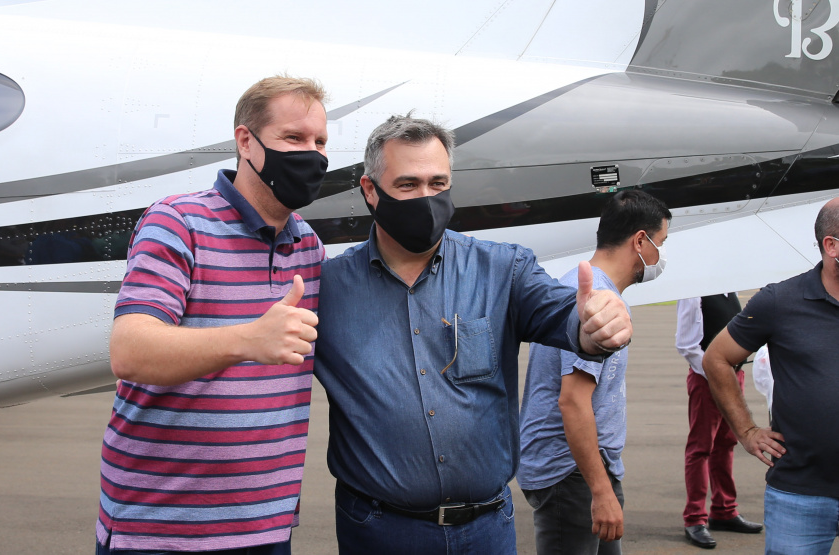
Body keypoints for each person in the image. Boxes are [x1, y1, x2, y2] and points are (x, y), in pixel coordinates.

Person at [314, 114, 633, 554]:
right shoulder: (329, 289)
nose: (426, 198)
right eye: (408, 185)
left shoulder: (503, 269)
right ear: (370, 190)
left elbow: (565, 316)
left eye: (438, 183)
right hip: (380, 530)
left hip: (486, 530)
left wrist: (596, 327)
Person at [96, 76, 329, 554]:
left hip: (265, 528)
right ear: (246, 141)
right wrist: (247, 340)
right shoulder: (178, 222)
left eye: (320, 142)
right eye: (293, 138)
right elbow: (130, 350)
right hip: (159, 530)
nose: (312, 154)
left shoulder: (309, 246)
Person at [518, 190, 672, 555]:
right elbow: (572, 401)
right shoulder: (596, 302)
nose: (661, 256)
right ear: (640, 241)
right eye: (661, 243)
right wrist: (601, 492)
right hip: (571, 473)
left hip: (584, 469)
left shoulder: (584, 287)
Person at [703, 197, 839, 555]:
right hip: (800, 493)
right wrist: (746, 431)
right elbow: (717, 358)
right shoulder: (780, 301)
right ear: (832, 246)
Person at [676, 293, 763, 549]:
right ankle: (695, 517)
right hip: (708, 379)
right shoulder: (694, 293)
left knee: (726, 443)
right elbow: (687, 345)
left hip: (733, 376)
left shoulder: (729, 290)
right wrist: (716, 373)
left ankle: (724, 510)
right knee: (701, 448)